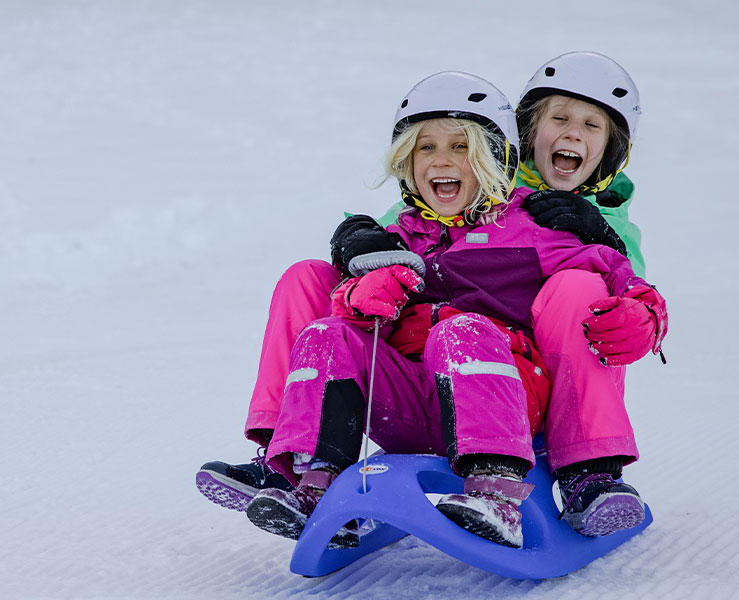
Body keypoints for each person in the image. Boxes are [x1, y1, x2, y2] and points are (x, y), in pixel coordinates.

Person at [196, 53, 657, 538]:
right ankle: (290, 462)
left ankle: (585, 470)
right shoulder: (438, 207)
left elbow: (628, 282)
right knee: (315, 298)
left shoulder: (542, 225)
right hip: (420, 382)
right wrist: (359, 256)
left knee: (530, 304)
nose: (572, 134)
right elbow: (417, 228)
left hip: (517, 378)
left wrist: (608, 250)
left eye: (591, 125)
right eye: (559, 119)